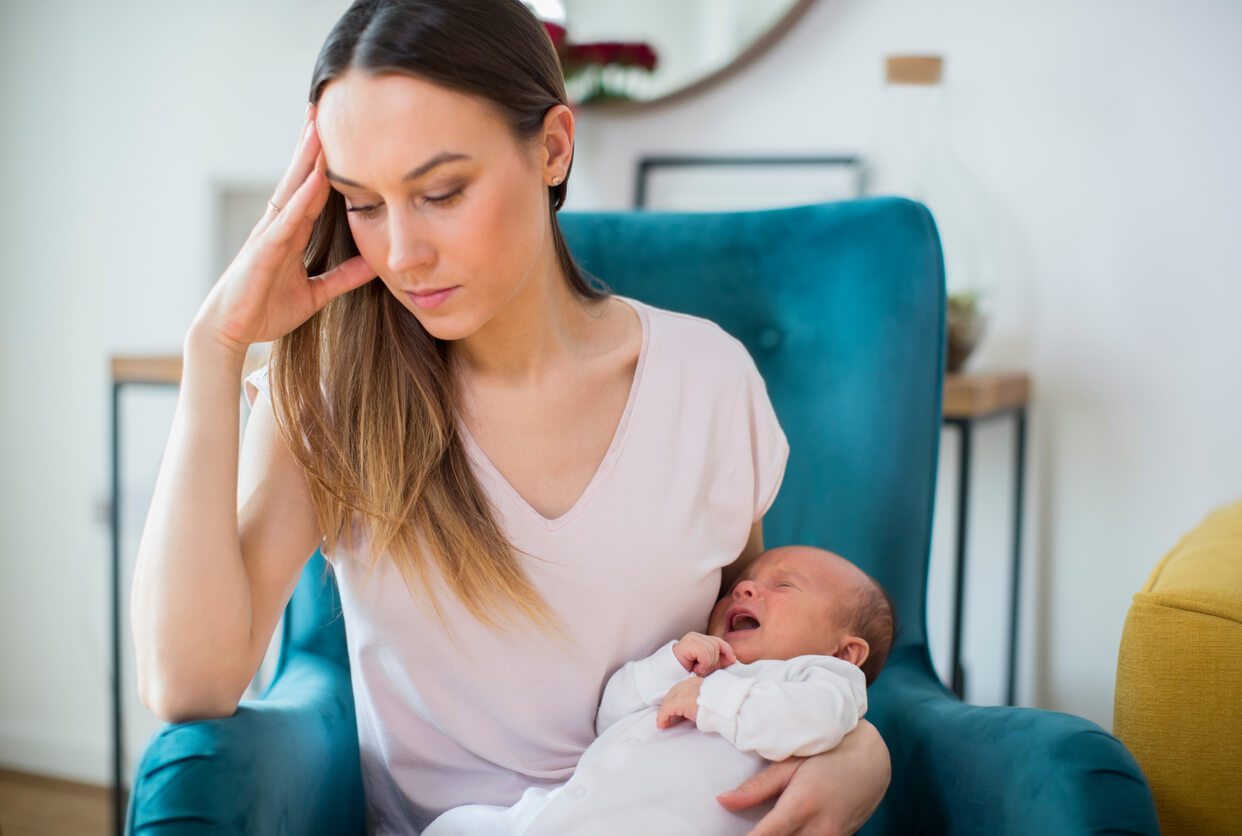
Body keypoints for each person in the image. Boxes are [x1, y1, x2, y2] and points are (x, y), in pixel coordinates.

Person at [128, 0, 892, 833]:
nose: (402, 254)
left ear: (553, 147)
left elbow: (751, 646)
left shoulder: (708, 380)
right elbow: (189, 684)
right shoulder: (337, 395)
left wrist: (862, 749)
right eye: (363, 203)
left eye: (441, 191)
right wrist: (216, 345)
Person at [421, 546, 897, 835]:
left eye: (785, 586)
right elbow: (612, 718)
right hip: (555, 817)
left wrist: (710, 700)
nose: (746, 588)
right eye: (741, 585)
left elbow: (813, 720)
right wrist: (668, 665)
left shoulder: (824, 680)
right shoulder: (706, 670)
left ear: (845, 652)